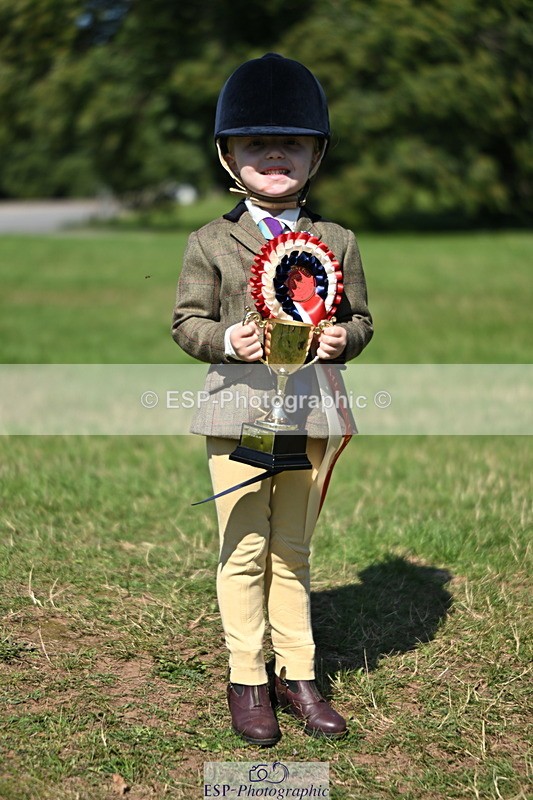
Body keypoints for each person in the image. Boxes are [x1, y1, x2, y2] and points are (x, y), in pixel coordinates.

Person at [172, 53, 373, 746]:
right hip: (236, 416)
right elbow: (186, 323)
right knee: (244, 549)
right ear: (228, 155)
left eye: (292, 142)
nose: (275, 155)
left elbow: (360, 319)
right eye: (256, 142)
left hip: (309, 415)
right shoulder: (209, 241)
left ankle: (299, 673)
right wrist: (227, 340)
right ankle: (247, 677)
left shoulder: (336, 240)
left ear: (317, 155)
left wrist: (342, 338)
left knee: (292, 549)